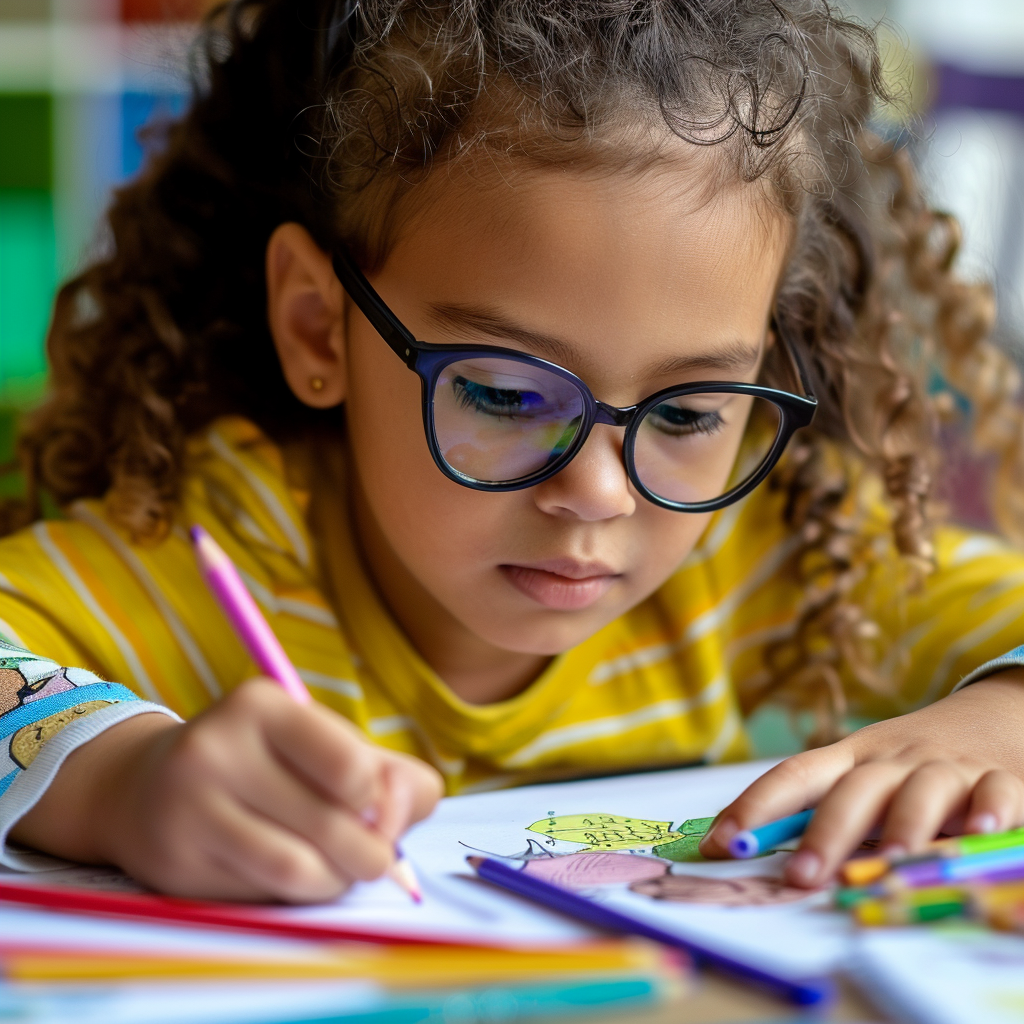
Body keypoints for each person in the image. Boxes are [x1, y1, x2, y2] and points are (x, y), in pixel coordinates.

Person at [0, 0, 1023, 903]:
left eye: (686, 414)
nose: (595, 493)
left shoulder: (768, 550)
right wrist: (122, 782)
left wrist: (993, 722)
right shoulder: (227, 541)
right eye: (502, 391)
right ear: (319, 328)